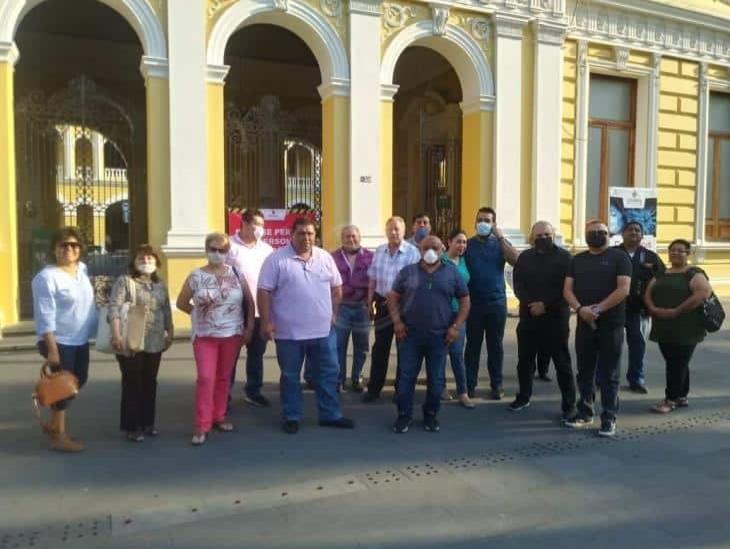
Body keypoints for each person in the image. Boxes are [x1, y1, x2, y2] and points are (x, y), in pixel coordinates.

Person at [258, 217, 354, 434]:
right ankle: (292, 416)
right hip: (288, 333)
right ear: (292, 234)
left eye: (310, 234)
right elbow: (264, 291)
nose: (306, 238)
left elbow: (337, 288)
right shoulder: (276, 259)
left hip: (322, 331)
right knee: (291, 376)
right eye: (301, 233)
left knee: (328, 373)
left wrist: (334, 314)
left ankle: (331, 414)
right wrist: (266, 321)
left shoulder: (324, 257)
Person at [176, 233, 254, 446]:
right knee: (205, 378)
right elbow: (182, 302)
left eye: (222, 250)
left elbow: (249, 300)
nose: (217, 254)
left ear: (228, 252)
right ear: (206, 250)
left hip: (232, 334)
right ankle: (202, 424)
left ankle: (219, 415)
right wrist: (199, 314)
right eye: (213, 249)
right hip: (205, 335)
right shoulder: (196, 276)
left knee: (223, 377)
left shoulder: (236, 273)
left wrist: (250, 326)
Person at [389, 236, 470, 433]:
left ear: (442, 248)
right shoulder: (407, 272)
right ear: (419, 248)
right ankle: (403, 415)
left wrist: (455, 327)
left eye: (435, 247)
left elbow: (465, 301)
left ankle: (431, 415)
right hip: (410, 336)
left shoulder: (452, 272)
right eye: (426, 248)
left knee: (436, 380)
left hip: (440, 337)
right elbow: (393, 298)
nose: (430, 251)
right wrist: (397, 322)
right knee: (406, 378)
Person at [563, 220, 631, 437]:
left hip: (611, 325)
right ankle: (585, 411)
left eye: (601, 232)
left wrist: (598, 309)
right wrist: (580, 309)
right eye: (592, 232)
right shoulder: (577, 260)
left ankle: (609, 417)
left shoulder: (620, 258)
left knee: (610, 373)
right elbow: (567, 290)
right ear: (585, 235)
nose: (596, 235)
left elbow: (623, 289)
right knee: (585, 370)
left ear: (608, 235)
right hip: (585, 323)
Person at [32, 227, 97, 452]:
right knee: (64, 386)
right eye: (64, 245)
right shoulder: (46, 278)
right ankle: (59, 434)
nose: (69, 249)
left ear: (80, 249)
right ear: (54, 249)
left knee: (79, 380)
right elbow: (44, 315)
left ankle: (53, 422)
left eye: (74, 245)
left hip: (80, 339)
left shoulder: (82, 270)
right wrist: (52, 350)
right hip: (58, 341)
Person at [510, 222, 576, 420]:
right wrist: (531, 303)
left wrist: (545, 305)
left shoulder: (565, 258)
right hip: (529, 317)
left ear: (553, 235)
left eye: (547, 234)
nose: (543, 238)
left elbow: (568, 289)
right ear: (531, 237)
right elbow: (518, 285)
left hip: (556, 318)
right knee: (525, 361)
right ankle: (523, 396)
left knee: (562, 363)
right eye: (538, 235)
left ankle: (569, 405)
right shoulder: (525, 257)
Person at [109, 245, 173, 442]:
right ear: (134, 262)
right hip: (130, 339)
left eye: (150, 259)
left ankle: (148, 423)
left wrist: (169, 331)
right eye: (141, 259)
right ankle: (132, 426)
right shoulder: (125, 282)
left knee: (150, 381)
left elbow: (166, 309)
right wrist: (116, 334)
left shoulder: (160, 284)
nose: (146, 262)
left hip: (154, 341)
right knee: (132, 382)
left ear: (156, 262)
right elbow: (114, 308)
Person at [644, 239, 711, 413]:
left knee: (676, 363)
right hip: (663, 326)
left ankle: (670, 400)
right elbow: (648, 293)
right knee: (677, 362)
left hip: (686, 327)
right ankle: (681, 395)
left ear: (688, 253)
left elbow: (702, 294)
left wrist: (676, 311)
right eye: (672, 250)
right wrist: (652, 308)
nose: (675, 253)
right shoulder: (662, 273)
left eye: (680, 251)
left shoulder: (694, 273)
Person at [463, 207, 519, 400]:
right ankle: (469, 385)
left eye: (487, 220)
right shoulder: (467, 245)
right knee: (472, 346)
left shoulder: (500, 244)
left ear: (494, 224)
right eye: (480, 220)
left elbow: (516, 260)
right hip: (473, 303)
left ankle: (497, 384)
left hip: (496, 302)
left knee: (495, 345)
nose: (483, 223)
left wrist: (501, 237)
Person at [363, 217, 421, 402]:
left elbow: (415, 282)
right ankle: (374, 389)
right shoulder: (379, 251)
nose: (393, 232)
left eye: (397, 229)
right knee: (380, 348)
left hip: (404, 305)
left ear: (404, 232)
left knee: (404, 348)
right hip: (381, 304)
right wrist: (369, 300)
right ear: (386, 231)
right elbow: (372, 277)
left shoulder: (413, 253)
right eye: (390, 229)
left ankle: (401, 389)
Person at [226, 208, 274, 407]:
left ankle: (253, 391)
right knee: (230, 355)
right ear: (244, 224)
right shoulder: (228, 246)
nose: (260, 229)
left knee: (256, 353)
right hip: (235, 311)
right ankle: (224, 393)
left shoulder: (267, 249)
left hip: (260, 309)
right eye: (256, 225)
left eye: (263, 225)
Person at [613, 221, 665, 393]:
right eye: (630, 230)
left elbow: (661, 281)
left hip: (639, 311)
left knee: (638, 346)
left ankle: (636, 379)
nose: (633, 233)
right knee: (611, 346)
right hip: (614, 310)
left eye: (637, 230)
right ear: (622, 234)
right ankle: (604, 378)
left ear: (642, 235)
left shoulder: (650, 257)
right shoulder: (612, 254)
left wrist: (654, 306)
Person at [331, 225, 373, 392]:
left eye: (354, 236)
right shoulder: (332, 257)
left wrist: (372, 306)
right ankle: (339, 379)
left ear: (359, 237)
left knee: (362, 346)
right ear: (342, 239)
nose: (351, 239)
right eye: (347, 236)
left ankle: (357, 378)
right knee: (339, 344)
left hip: (362, 307)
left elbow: (374, 281)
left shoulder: (371, 257)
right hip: (341, 307)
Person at [440, 229, 475, 409]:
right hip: (441, 313)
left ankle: (463, 392)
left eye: (464, 242)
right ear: (449, 242)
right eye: (458, 241)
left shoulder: (464, 261)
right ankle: (442, 387)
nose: (462, 245)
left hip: (459, 313)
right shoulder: (440, 260)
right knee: (440, 353)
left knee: (456, 354)